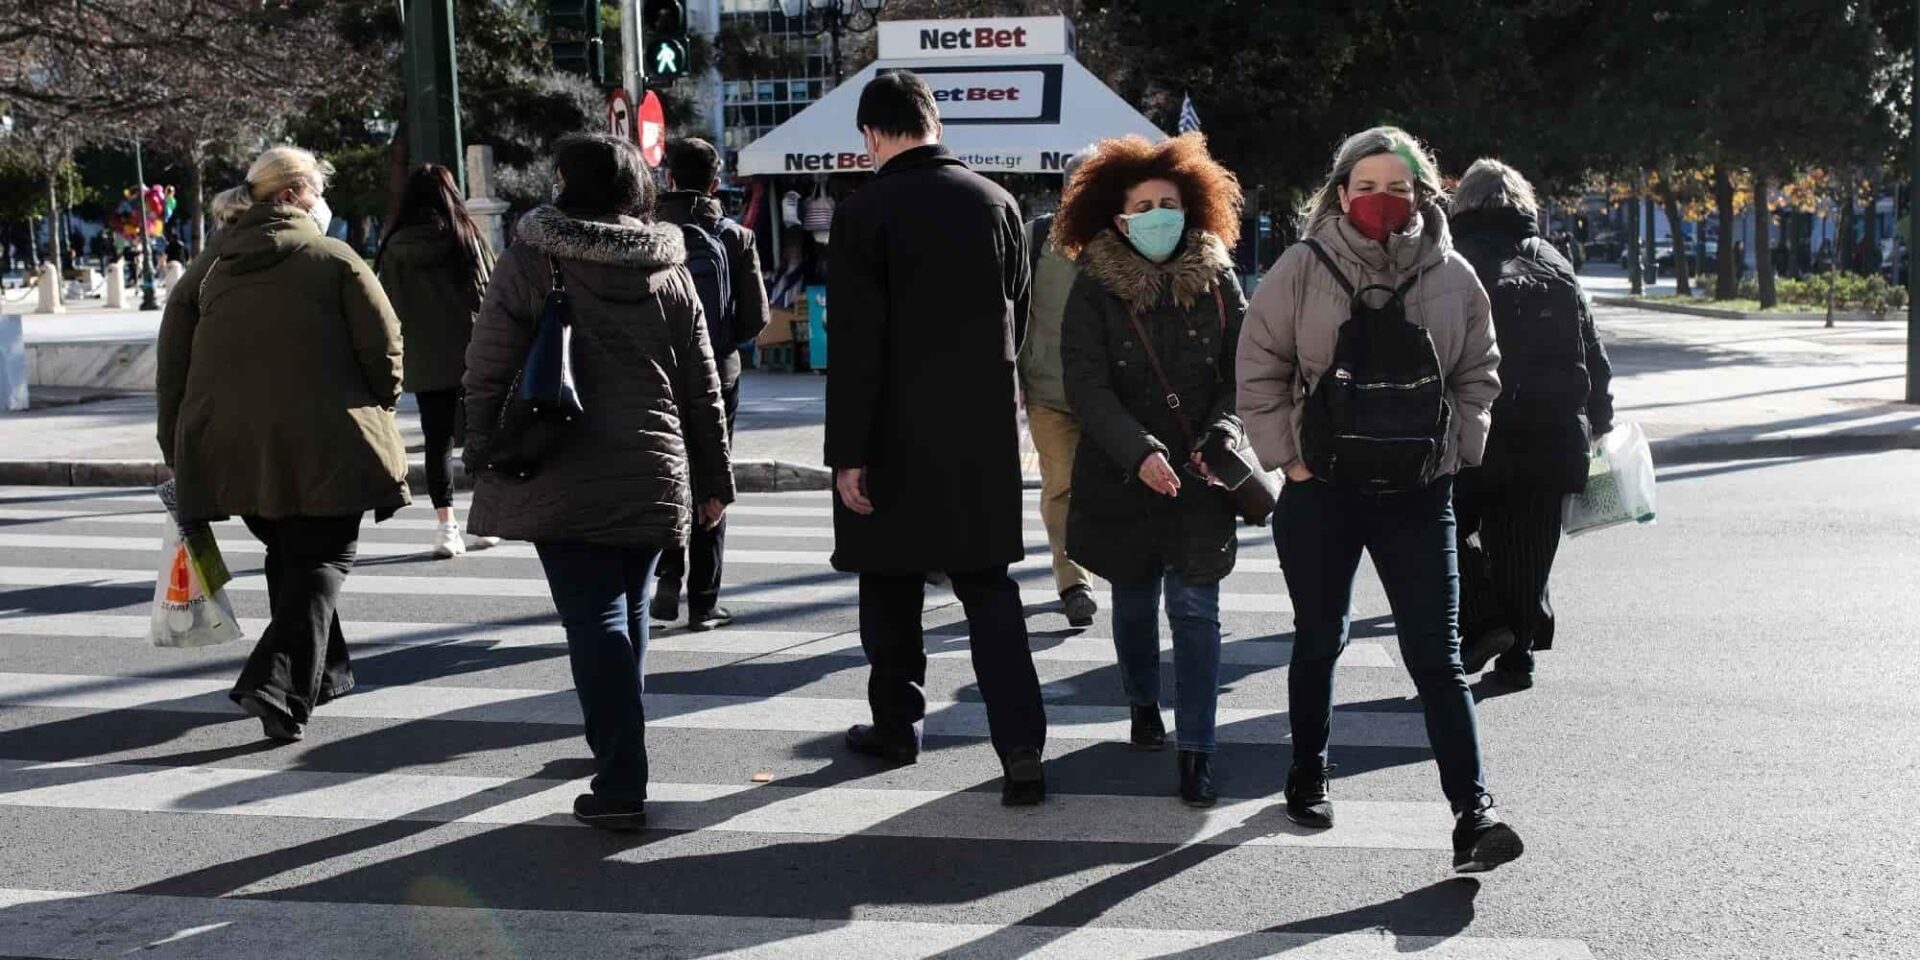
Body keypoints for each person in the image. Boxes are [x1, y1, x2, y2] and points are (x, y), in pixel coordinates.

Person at [1237, 126, 1523, 872]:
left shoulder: (1455, 274)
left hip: (1418, 496)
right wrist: (1288, 464)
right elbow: (1258, 366)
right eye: (1366, 188)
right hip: (1322, 491)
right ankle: (1308, 769)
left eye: (1398, 188)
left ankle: (1474, 812)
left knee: (1436, 657)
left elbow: (1479, 372)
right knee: (1320, 637)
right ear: (1340, 194)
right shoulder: (1301, 268)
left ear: (1424, 194)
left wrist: (1457, 452)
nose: (1382, 202)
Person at [462, 134, 733, 832]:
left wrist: (480, 446)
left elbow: (488, 363)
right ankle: (621, 745)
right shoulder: (667, 264)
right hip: (653, 464)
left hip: (561, 462)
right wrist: (713, 479)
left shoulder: (533, 257)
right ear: (634, 188)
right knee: (631, 610)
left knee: (598, 619)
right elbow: (701, 384)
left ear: (563, 183)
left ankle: (620, 776)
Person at [826, 72, 1049, 805]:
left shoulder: (865, 213)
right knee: (989, 591)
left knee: (889, 587)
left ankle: (897, 726)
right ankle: (1021, 747)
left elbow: (855, 344)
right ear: (934, 121)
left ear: (872, 134)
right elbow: (1015, 312)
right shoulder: (998, 203)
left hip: (891, 435)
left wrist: (847, 455)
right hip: (978, 436)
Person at [156, 146, 410, 745]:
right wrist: (377, 405)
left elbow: (172, 365)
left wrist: (179, 445)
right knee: (326, 556)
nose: (322, 202)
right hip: (327, 442)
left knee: (290, 555)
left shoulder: (207, 268)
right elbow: (387, 351)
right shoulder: (334, 258)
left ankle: (324, 673)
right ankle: (276, 686)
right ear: (296, 195)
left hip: (227, 447)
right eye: (317, 191)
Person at [1053, 133, 1247, 808]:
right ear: (1118, 218)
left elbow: (1244, 372)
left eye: (1170, 202)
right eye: (1146, 205)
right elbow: (1086, 385)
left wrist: (1226, 430)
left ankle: (1198, 750)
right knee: (1135, 605)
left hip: (1202, 478)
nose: (1160, 213)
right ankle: (1142, 703)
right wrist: (1139, 453)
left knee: (1196, 613)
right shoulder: (1093, 287)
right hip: (1123, 475)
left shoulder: (1219, 279)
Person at [1449, 159, 1614, 690]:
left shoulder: (1453, 264)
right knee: (1529, 546)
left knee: (1447, 531)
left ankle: (1484, 618)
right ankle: (1518, 652)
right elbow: (1593, 352)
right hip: (1553, 436)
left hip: (1477, 432)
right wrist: (1600, 422)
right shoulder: (1556, 263)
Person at [651, 137, 770, 630]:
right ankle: (703, 601)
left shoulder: (647, 232)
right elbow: (756, 317)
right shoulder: (735, 238)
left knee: (663, 473)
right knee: (711, 476)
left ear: (669, 179)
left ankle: (665, 577)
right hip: (719, 374)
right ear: (716, 183)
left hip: (655, 375)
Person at [376, 163, 499, 559]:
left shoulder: (393, 248)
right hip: (473, 355)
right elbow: (490, 296)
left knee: (437, 444)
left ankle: (447, 528)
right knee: (481, 436)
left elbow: (385, 307)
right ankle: (484, 519)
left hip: (424, 360)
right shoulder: (467, 238)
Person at [1020, 150, 1100, 630]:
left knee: (1109, 485)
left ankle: (1114, 564)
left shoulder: (1121, 240)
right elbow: (1011, 309)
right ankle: (1074, 583)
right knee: (1063, 482)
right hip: (1049, 391)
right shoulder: (1036, 238)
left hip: (1111, 394)